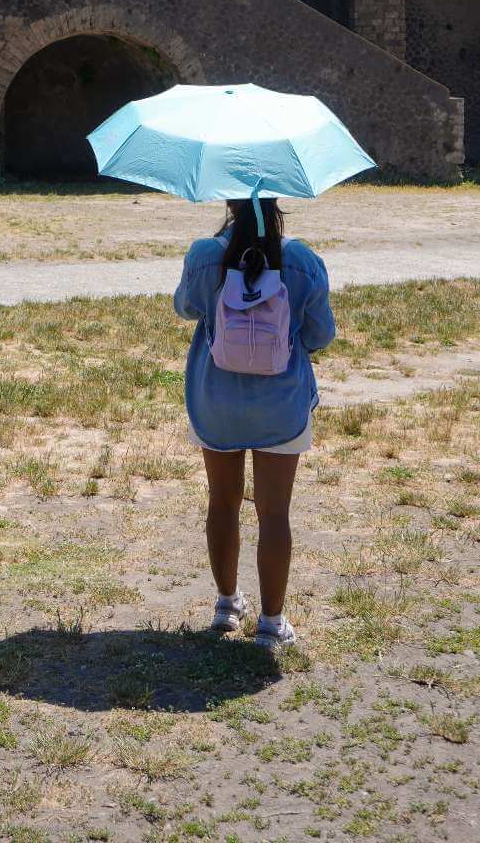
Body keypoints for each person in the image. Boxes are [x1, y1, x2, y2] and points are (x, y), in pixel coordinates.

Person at [173, 196, 335, 648]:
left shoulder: (205, 255)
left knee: (222, 502)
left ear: (228, 200)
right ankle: (271, 623)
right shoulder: (301, 261)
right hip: (281, 404)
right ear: (277, 200)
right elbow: (321, 333)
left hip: (216, 401)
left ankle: (227, 605)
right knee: (275, 512)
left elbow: (185, 307)